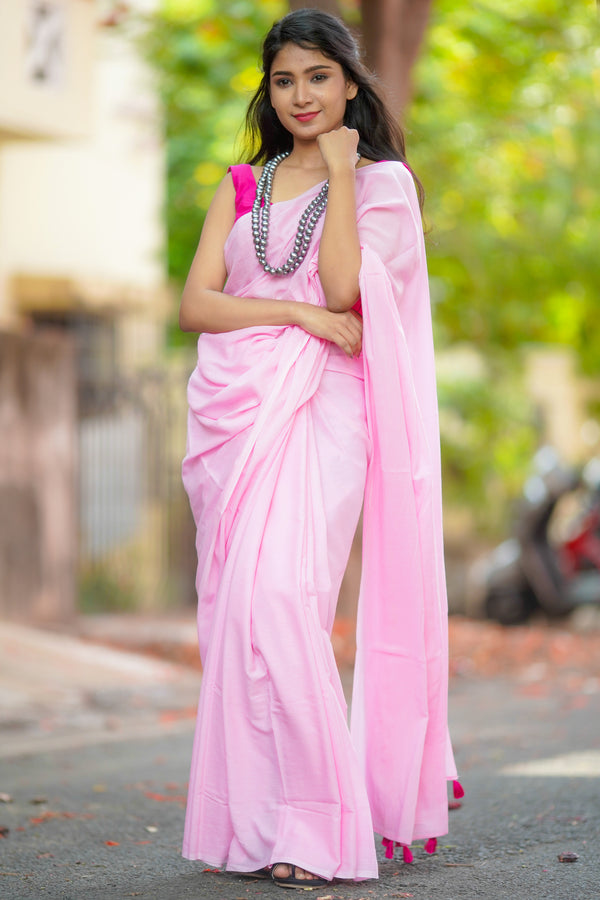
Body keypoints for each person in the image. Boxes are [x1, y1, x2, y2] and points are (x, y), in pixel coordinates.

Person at [179, 7, 459, 890]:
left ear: (349, 82)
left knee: (284, 601)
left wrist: (340, 170)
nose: (301, 95)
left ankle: (321, 827)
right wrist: (296, 313)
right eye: (284, 79)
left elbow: (348, 287)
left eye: (318, 77)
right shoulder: (243, 184)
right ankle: (256, 828)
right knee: (239, 619)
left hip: (328, 412)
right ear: (269, 89)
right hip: (236, 413)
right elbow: (199, 303)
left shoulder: (381, 185)